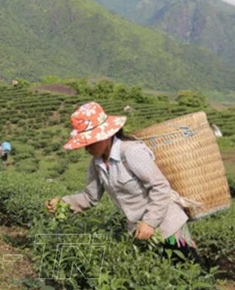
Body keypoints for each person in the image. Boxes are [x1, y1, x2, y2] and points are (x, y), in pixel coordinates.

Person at [45, 101, 200, 263]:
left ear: (107, 135)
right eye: (85, 143)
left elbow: (160, 186)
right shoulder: (96, 164)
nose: (87, 148)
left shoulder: (131, 152)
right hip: (141, 232)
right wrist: (62, 202)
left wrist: (149, 222)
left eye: (90, 142)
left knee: (188, 266)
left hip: (169, 226)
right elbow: (90, 197)